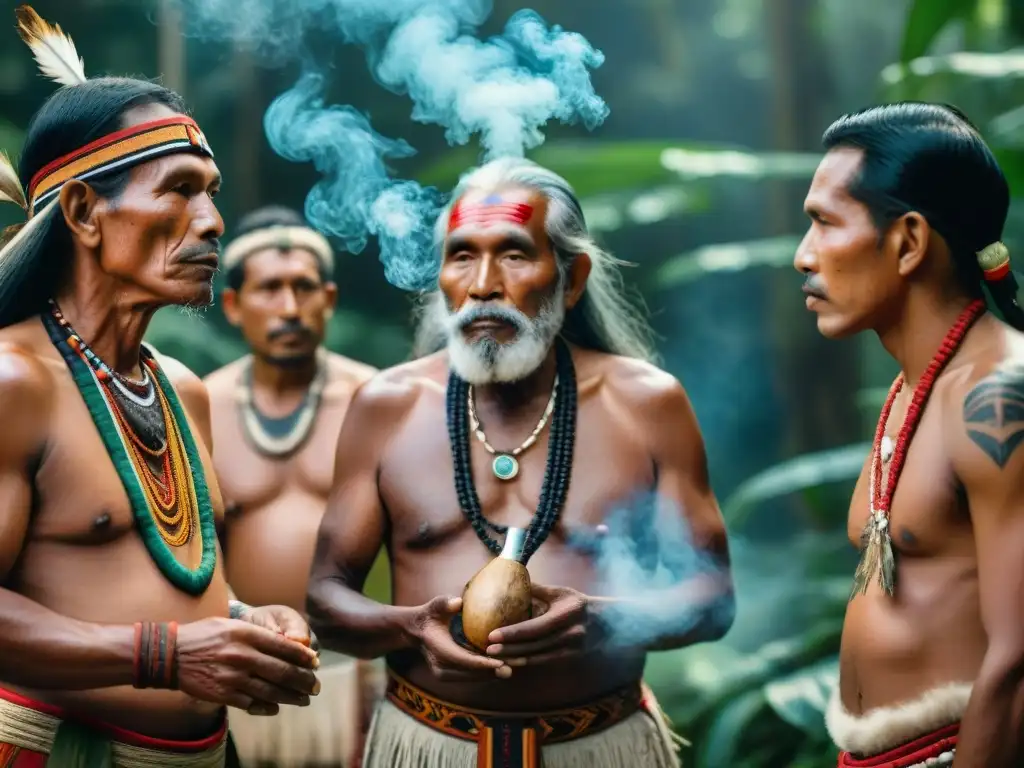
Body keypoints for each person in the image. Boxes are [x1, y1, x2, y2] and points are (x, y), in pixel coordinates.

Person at [305, 156, 736, 768]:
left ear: (572, 276)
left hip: (600, 747)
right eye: (461, 255)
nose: (483, 283)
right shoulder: (387, 406)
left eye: (512, 254)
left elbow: (712, 598)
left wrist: (602, 622)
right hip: (427, 746)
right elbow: (325, 600)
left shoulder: (646, 403)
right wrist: (411, 628)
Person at [0, 7, 321, 767]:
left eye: (211, 192)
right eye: (179, 190)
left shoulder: (181, 387)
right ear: (83, 211)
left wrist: (248, 619)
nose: (212, 223)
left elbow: (152, 578)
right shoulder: (15, 382)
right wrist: (163, 656)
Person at [795, 102, 1024, 768]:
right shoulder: (912, 387)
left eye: (823, 224)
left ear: (909, 242)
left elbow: (1018, 662)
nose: (802, 256)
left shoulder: (998, 395)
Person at [204, 206, 379, 767]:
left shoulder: (376, 402)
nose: (289, 308)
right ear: (233, 305)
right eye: (269, 289)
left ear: (328, 299)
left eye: (304, 288)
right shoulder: (199, 406)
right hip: (238, 678)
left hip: (359, 681)